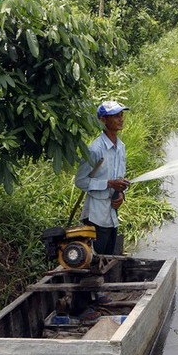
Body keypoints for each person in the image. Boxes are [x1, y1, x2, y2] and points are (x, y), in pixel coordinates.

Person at [75, 100, 131, 256]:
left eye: (121, 115)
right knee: (95, 261)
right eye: (115, 116)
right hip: (96, 217)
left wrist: (120, 194)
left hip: (112, 214)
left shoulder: (121, 147)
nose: (121, 119)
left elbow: (119, 179)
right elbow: (80, 181)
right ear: (103, 120)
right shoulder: (94, 149)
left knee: (109, 259)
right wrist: (108, 183)